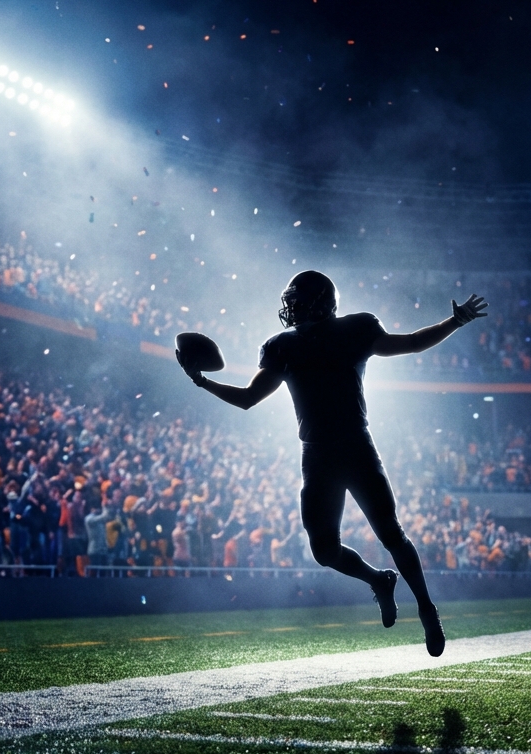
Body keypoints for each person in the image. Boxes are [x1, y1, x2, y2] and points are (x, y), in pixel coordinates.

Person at [177, 270, 488, 657]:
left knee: (391, 533)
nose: (290, 308)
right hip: (316, 453)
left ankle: (426, 607)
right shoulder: (280, 346)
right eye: (289, 301)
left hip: (356, 445)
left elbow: (408, 343)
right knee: (324, 550)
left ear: (322, 302)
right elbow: (247, 398)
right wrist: (202, 382)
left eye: (298, 300)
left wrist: (454, 322)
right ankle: (378, 581)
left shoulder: (355, 329)